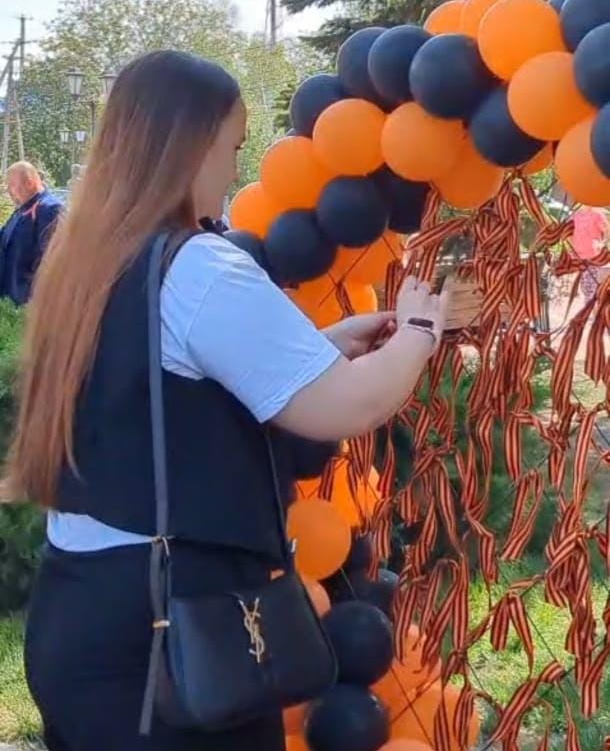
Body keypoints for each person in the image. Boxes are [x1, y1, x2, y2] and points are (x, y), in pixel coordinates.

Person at [1, 51, 447, 751]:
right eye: (234, 147)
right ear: (194, 142)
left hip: (82, 614)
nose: (234, 172)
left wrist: (319, 345)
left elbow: (157, 384)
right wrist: (421, 330)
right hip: (170, 633)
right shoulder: (198, 265)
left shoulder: (90, 256)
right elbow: (346, 407)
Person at [0, 161, 63, 306]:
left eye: (11, 184)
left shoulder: (50, 209)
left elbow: (52, 260)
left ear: (29, 183)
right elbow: (4, 239)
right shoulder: (22, 209)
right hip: (10, 301)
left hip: (29, 302)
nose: (8, 190)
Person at [572, 205, 609, 301]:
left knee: (590, 287)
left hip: (592, 255)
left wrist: (602, 243)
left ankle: (593, 306)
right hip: (578, 255)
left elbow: (607, 231)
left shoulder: (597, 215)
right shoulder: (576, 215)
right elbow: (572, 233)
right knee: (585, 286)